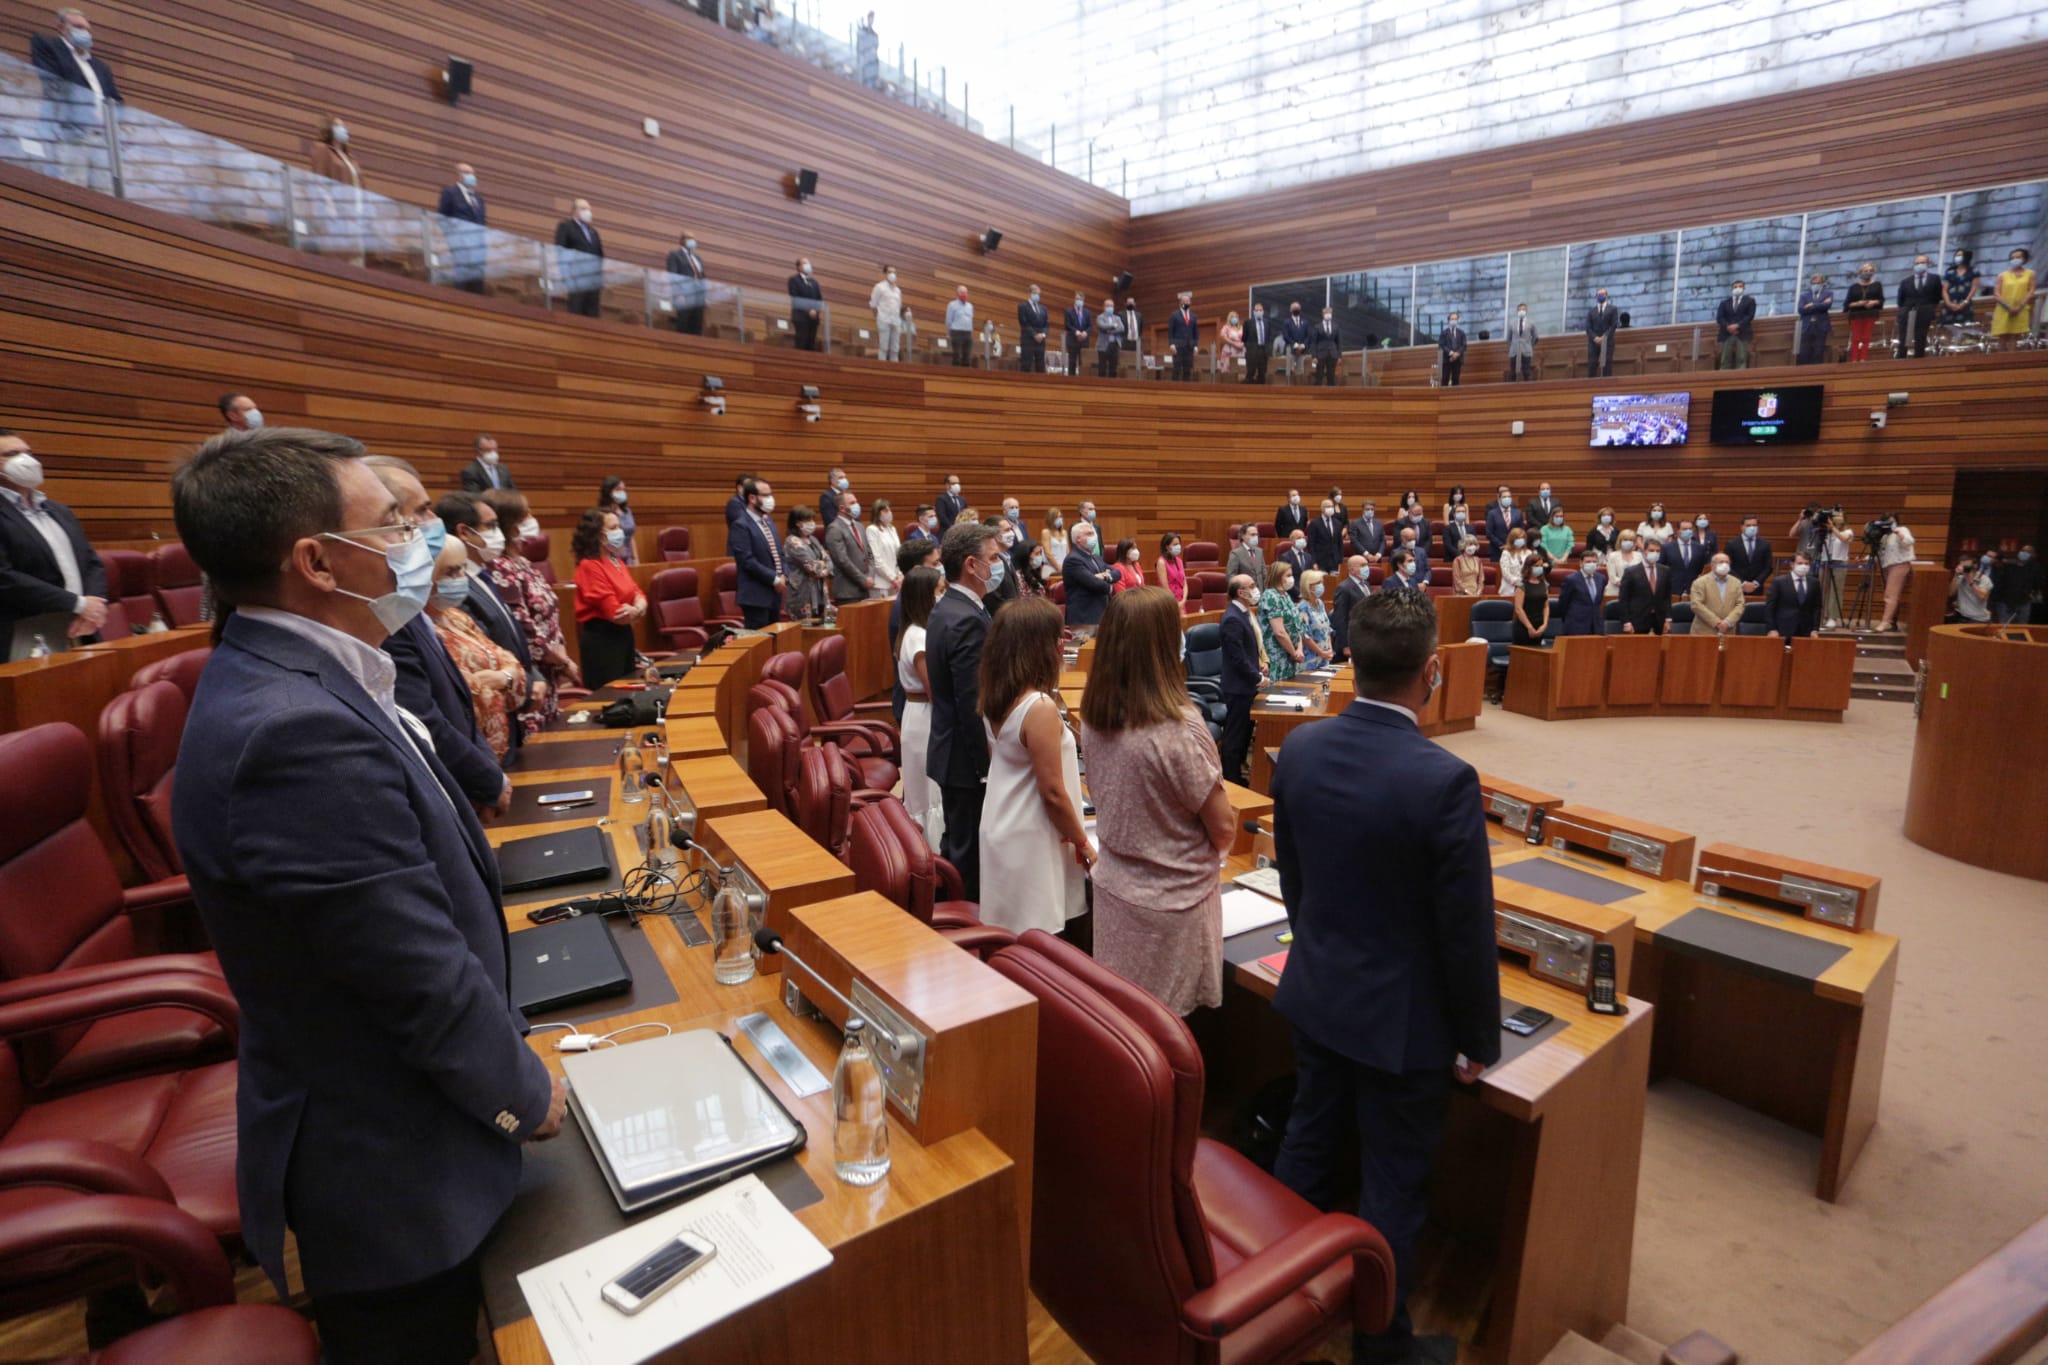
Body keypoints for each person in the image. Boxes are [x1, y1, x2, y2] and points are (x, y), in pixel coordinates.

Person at [169, 429, 562, 1365]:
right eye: (391, 524)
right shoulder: (292, 730)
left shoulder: (317, 674)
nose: (414, 540)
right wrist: (522, 1090)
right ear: (314, 560)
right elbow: (409, 968)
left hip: (417, 1123)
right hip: (393, 1171)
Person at [1269, 588, 1497, 1365]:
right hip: (1403, 1029)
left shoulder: (1298, 749)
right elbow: (1465, 932)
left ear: (1350, 661)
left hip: (1317, 990)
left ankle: (1269, 1301)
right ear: (1432, 671)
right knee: (1393, 1184)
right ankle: (1381, 1345)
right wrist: (1478, 1040)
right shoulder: (1446, 780)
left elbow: (1296, 883)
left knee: (1307, 1142)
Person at [1079, 587, 1235, 1014]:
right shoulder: (1179, 726)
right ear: (1166, 645)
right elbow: (1223, 826)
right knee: (1171, 1038)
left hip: (1115, 889)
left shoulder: (1094, 714)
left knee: (1125, 1029)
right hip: (1174, 908)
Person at [364, 458, 508, 818]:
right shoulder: (388, 618)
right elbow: (425, 720)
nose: (433, 523)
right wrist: (487, 781)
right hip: (449, 798)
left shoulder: (407, 608)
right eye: (423, 510)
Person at [977, 596, 1090, 933]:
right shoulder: (1038, 707)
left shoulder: (995, 694)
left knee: (1012, 936)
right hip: (1031, 835)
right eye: (1057, 638)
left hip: (1004, 824)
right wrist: (1083, 844)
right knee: (1037, 938)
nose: (1061, 645)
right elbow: (1053, 793)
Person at [927, 522, 1003, 898]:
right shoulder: (965, 619)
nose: (999, 564)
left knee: (957, 842)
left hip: (952, 753)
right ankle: (966, 934)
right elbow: (972, 703)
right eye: (993, 558)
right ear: (971, 565)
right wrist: (986, 767)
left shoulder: (952, 608)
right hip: (965, 760)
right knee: (969, 856)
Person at [438, 493, 547, 741]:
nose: (500, 533)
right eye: (491, 526)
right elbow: (487, 659)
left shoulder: (484, 576)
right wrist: (525, 684)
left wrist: (533, 677)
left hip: (514, 704)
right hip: (493, 716)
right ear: (464, 532)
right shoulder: (456, 588)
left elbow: (510, 635)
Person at [0, 429, 108, 658]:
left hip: (82, 627)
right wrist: (78, 604)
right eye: (12, 454)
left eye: (28, 452)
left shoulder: (59, 510)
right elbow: (4, 577)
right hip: (24, 633)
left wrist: (94, 608)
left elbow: (91, 563)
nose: (26, 460)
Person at [427, 543, 527, 761]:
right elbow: (467, 692)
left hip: (507, 741)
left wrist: (502, 677)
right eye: (451, 571)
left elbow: (511, 661)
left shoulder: (456, 617)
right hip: (472, 754)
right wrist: (505, 678)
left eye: (462, 568)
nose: (461, 577)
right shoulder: (424, 631)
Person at [479, 490, 580, 699]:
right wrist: (560, 660)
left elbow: (548, 614)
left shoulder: (523, 562)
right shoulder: (499, 567)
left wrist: (560, 655)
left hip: (550, 671)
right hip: (528, 677)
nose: (532, 518)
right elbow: (520, 627)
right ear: (510, 524)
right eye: (526, 515)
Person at [893, 566, 946, 848]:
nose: (943, 596)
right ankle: (931, 852)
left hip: (921, 714)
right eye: (939, 591)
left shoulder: (916, 630)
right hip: (923, 717)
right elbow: (934, 690)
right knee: (928, 793)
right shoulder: (918, 637)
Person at [571, 506, 645, 687]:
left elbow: (639, 593)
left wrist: (637, 608)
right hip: (603, 641)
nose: (619, 532)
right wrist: (638, 609)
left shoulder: (616, 561)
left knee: (628, 693)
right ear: (598, 534)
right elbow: (616, 614)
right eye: (613, 528)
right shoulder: (589, 566)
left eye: (619, 526)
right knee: (609, 699)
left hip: (624, 637)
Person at [725, 477, 785, 629]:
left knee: (776, 642)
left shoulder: (768, 522)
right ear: (752, 498)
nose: (770, 499)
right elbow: (747, 561)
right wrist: (774, 578)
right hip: (756, 596)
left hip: (775, 593)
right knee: (761, 644)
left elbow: (779, 553)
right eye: (766, 495)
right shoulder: (740, 525)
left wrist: (784, 574)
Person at [1219, 573, 1262, 783]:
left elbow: (1248, 650)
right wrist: (1256, 677)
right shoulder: (1232, 618)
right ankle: (1231, 779)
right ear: (1240, 592)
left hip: (1247, 685)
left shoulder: (1243, 614)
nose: (1255, 589)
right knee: (1235, 736)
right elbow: (1237, 657)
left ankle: (1238, 775)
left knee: (1244, 734)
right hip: (1238, 687)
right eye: (1252, 586)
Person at [32, 9, 121, 104]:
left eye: (87, 30)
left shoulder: (102, 67)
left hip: (101, 118)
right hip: (66, 115)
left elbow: (117, 101)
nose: (85, 33)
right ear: (61, 28)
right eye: (79, 27)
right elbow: (53, 83)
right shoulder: (48, 45)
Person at [436, 163, 488, 293]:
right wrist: (454, 240)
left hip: (477, 249)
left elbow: (482, 224)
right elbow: (442, 218)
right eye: (466, 172)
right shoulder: (450, 192)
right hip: (460, 246)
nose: (470, 176)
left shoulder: (478, 199)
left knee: (477, 284)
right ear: (458, 175)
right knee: (462, 281)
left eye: (472, 173)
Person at [552, 199, 604, 317]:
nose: (588, 212)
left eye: (589, 209)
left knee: (592, 316)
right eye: (584, 209)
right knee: (576, 311)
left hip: (593, 282)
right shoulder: (566, 226)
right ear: (575, 211)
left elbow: (600, 256)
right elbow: (560, 251)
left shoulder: (593, 233)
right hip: (576, 278)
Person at [1258, 561, 1307, 682]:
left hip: (1292, 655)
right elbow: (1279, 632)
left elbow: (1297, 626)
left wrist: (1299, 649)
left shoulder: (1286, 595)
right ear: (1278, 576)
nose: (1292, 578)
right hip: (1277, 655)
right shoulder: (1270, 596)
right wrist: (1294, 653)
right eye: (1288, 575)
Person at [1061, 519, 1115, 627]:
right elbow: (1094, 583)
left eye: (1093, 533)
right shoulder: (1073, 559)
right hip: (1084, 618)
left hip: (1101, 614)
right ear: (1078, 539)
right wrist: (1110, 586)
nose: (1094, 536)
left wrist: (1104, 576)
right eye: (1089, 534)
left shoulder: (1096, 557)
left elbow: (1117, 572)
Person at [824, 491, 872, 606]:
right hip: (847, 592)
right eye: (852, 503)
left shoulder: (859, 526)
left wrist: (870, 576)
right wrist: (862, 579)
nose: (857, 505)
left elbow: (869, 554)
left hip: (865, 589)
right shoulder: (834, 529)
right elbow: (842, 560)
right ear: (842, 508)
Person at [783, 506, 829, 620]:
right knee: (804, 627)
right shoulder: (792, 541)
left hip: (819, 591)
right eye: (808, 520)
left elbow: (829, 561)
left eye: (813, 520)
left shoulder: (813, 540)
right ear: (798, 523)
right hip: (802, 592)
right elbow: (812, 567)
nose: (812, 523)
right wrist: (822, 565)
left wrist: (822, 566)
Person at [1618, 539, 1670, 635]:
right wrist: (1626, 622)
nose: (1655, 553)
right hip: (1637, 619)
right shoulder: (1631, 572)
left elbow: (1666, 598)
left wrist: (1668, 619)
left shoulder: (1665, 570)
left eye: (1658, 551)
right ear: (1644, 551)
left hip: (1659, 620)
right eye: (1651, 550)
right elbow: (1624, 600)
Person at [1766, 554, 1823, 638]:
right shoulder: (1779, 582)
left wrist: (1815, 629)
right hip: (1783, 629)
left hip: (1806, 630)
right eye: (1800, 563)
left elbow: (1817, 607)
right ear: (1792, 564)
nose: (1803, 566)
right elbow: (1770, 607)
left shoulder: (1814, 583)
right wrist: (1772, 629)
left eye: (1806, 563)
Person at [1897, 254, 1942, 358]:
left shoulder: (1935, 279)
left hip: (1926, 311)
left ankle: (1919, 358)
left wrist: (1929, 307)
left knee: (1921, 336)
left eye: (1922, 263)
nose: (1919, 265)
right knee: (1904, 337)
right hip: (1908, 311)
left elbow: (1937, 296)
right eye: (1917, 263)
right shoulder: (1905, 282)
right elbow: (1900, 300)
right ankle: (1901, 357)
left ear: (1928, 264)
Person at [664, 232, 709, 335]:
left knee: (697, 325)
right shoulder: (675, 255)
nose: (692, 242)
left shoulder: (697, 259)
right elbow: (673, 276)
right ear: (682, 241)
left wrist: (705, 297)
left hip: (698, 296)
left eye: (693, 239)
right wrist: (678, 293)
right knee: (683, 323)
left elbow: (702, 278)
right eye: (689, 239)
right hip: (684, 295)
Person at [1813, 511, 1851, 629]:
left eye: (1839, 516)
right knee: (1823, 589)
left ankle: (1832, 617)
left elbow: (1844, 539)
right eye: (1835, 516)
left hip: (1839, 562)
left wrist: (1833, 528)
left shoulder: (1848, 531)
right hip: (1824, 561)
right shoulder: (1825, 533)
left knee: (1836, 590)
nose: (1837, 518)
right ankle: (1821, 615)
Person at [1991, 249, 2036, 347]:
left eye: (2018, 257)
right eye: (2012, 258)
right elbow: (1996, 293)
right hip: (2004, 309)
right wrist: (2008, 306)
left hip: (2021, 309)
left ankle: (2014, 359)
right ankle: (2001, 359)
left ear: (2024, 259)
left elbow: (2031, 291)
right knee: (2002, 336)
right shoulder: (2002, 275)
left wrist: (2020, 306)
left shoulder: (2030, 274)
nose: (2015, 259)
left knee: (2015, 336)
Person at [1690, 555, 1745, 635]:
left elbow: (1740, 604)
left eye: (1727, 562)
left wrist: (1728, 622)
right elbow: (1696, 605)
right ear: (1712, 565)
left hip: (1728, 630)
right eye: (1721, 562)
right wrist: (1717, 623)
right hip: (1704, 631)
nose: (1725, 565)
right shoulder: (1700, 582)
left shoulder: (1736, 582)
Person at [1330, 557, 1370, 662]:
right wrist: (1345, 645)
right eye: (1362, 565)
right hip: (1351, 639)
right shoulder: (1344, 588)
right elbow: (1340, 618)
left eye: (1366, 565)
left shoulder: (1366, 584)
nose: (1366, 568)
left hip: (1365, 638)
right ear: (1351, 569)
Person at [1557, 552, 1605, 636]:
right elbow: (1563, 604)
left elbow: (1598, 601)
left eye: (1594, 562)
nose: (1592, 564)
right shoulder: (1571, 580)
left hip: (1596, 626)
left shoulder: (1601, 578)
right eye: (1588, 562)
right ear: (1581, 563)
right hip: (1576, 626)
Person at [1843, 263, 1883, 361]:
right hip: (1856, 315)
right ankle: (1854, 359)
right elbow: (1847, 304)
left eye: (1870, 271)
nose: (1868, 273)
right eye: (1865, 271)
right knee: (1856, 338)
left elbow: (1881, 300)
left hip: (1870, 314)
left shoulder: (1877, 285)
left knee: (1866, 337)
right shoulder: (1853, 287)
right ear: (1860, 273)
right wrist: (1858, 303)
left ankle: (1863, 359)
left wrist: (1873, 302)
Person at [864, 498, 902, 598]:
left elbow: (899, 554)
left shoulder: (892, 529)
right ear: (877, 513)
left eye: (890, 510)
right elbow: (877, 559)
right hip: (881, 583)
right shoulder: (872, 530)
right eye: (885, 511)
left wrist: (899, 576)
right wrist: (892, 578)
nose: (889, 513)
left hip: (896, 581)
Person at [1297, 569, 1335, 665]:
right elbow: (1305, 636)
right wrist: (1321, 652)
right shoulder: (1302, 607)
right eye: (1318, 583)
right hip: (1311, 659)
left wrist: (1330, 649)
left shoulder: (1320, 603)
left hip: (1325, 656)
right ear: (1308, 586)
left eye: (1322, 582)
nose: (1321, 586)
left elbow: (1327, 628)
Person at [1728, 516, 1774, 594]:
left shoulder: (1765, 544)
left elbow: (1768, 567)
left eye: (1754, 525)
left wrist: (1756, 583)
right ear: (1742, 527)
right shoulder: (1732, 544)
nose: (1752, 528)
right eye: (1748, 525)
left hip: (1757, 587)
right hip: (1737, 586)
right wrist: (1743, 583)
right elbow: (1729, 567)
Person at [1796, 272, 1836, 365]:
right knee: (1804, 352)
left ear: (1822, 283)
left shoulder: (1828, 293)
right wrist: (1819, 305)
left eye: (1818, 283)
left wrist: (1812, 305)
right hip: (1807, 327)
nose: (1815, 285)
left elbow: (1826, 306)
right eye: (1813, 283)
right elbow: (1801, 309)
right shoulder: (1804, 295)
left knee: (1818, 352)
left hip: (1821, 326)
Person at [1993, 545, 2039, 624]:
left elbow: (2036, 584)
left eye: (2028, 552)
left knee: (2022, 627)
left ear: (2033, 555)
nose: (2024, 553)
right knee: (2004, 627)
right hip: (2005, 602)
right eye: (2023, 550)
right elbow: (1998, 583)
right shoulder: (2008, 565)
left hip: (2024, 602)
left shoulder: (2035, 568)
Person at [1715, 280, 1756, 369]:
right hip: (1726, 334)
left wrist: (1737, 326)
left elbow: (1750, 316)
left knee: (1741, 358)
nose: (1738, 288)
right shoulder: (1724, 303)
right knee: (1725, 359)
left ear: (1744, 288)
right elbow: (1720, 318)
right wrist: (1728, 327)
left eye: (1740, 286)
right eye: (1735, 287)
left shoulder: (1749, 301)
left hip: (1742, 333)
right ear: (1732, 289)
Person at [1512, 558, 1552, 646]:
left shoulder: (1544, 584)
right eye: (1536, 566)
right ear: (1528, 567)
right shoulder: (1521, 585)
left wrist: (1544, 624)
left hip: (1539, 626)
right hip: (1524, 627)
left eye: (1541, 566)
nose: (1539, 568)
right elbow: (1518, 609)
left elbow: (1546, 606)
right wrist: (1529, 627)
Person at [788, 257, 824, 351]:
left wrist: (816, 311)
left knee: (811, 344)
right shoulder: (794, 280)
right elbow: (795, 297)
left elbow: (819, 299)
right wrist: (808, 310)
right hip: (800, 317)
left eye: (808, 263)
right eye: (805, 263)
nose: (808, 265)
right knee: (801, 342)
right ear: (799, 267)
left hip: (813, 319)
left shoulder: (814, 283)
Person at [598, 476, 636, 563]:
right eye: (618, 489)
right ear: (609, 491)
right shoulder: (603, 513)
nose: (622, 492)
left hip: (628, 557)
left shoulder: (627, 511)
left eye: (624, 490)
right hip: (612, 557)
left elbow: (631, 536)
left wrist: (635, 557)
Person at [869, 265, 903, 360]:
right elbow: (873, 304)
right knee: (883, 347)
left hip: (896, 321)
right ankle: (882, 368)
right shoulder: (879, 287)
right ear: (885, 274)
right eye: (889, 272)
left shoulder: (898, 290)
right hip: (884, 319)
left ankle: (894, 370)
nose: (892, 274)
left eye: (894, 272)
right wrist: (878, 317)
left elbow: (899, 306)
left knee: (895, 349)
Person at [1664, 522, 1707, 599]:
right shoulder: (1667, 548)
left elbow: (1701, 568)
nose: (1688, 531)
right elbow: (1662, 568)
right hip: (1672, 589)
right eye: (1684, 529)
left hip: (1693, 589)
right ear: (1677, 531)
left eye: (1690, 529)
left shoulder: (1700, 548)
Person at [1941, 248, 1979, 330]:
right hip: (1950, 303)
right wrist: (1948, 303)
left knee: (1964, 329)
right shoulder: (1950, 271)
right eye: (1956, 255)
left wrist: (1965, 302)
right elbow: (1944, 289)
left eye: (1960, 255)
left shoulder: (1973, 271)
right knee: (1947, 328)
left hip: (1965, 304)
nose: (1957, 257)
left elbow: (1974, 287)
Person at [1586, 287, 1618, 378]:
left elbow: (1614, 325)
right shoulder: (1591, 312)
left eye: (1603, 294)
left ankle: (1606, 386)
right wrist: (1595, 338)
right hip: (1594, 342)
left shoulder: (1613, 309)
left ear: (1606, 295)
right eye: (1599, 294)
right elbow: (1588, 327)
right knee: (1592, 362)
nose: (1601, 296)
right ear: (1596, 296)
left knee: (1606, 363)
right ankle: (1591, 385)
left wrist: (1605, 337)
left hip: (1607, 341)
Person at [1485, 484, 1525, 557]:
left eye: (1509, 497)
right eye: (1504, 497)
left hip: (1515, 548)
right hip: (1497, 550)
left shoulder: (1518, 512)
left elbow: (1521, 530)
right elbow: (1489, 533)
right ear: (1499, 498)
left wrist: (1513, 544)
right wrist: (1501, 545)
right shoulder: (1492, 513)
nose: (1507, 498)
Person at [1017, 286, 1050, 373]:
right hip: (1028, 339)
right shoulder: (1022, 307)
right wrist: (1034, 334)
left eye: (1038, 294)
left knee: (1040, 366)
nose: (1037, 296)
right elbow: (1024, 323)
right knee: (1026, 364)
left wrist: (1043, 334)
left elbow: (1046, 324)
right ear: (1030, 293)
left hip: (1041, 341)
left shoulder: (1043, 308)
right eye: (1035, 293)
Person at [1307, 496, 1345, 573]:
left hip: (1335, 561)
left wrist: (1340, 561)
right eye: (1328, 506)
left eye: (1332, 506)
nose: (1330, 508)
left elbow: (1339, 543)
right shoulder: (1314, 523)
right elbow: (1311, 544)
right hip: (1320, 561)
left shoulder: (1337, 523)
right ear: (1322, 508)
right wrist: (1313, 562)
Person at [1154, 532, 1191, 606]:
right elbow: (1165, 587)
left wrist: (1183, 600)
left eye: (1179, 544)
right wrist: (1176, 603)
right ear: (1167, 547)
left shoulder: (1179, 561)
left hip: (1181, 600)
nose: (1178, 546)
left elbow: (1184, 583)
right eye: (1175, 544)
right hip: (1168, 601)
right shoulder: (1161, 562)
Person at [1169, 293, 1198, 381]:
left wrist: (1196, 345)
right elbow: (1171, 331)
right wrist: (1171, 344)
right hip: (1178, 346)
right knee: (1177, 368)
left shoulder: (1193, 316)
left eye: (1188, 301)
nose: (1186, 303)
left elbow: (1195, 331)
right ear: (1180, 303)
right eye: (1184, 301)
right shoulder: (1174, 315)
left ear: (1190, 303)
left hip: (1189, 346)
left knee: (1187, 369)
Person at [1506, 302, 1537, 381]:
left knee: (1526, 372)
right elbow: (1508, 338)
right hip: (1514, 350)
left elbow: (1535, 337)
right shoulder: (1512, 323)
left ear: (1526, 311)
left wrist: (1529, 345)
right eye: (1519, 310)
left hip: (1526, 350)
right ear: (1517, 311)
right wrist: (1513, 345)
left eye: (1523, 309)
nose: (1521, 311)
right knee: (1513, 372)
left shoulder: (1531, 323)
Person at [1311, 306, 1342, 386]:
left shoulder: (1336, 326)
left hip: (1332, 353)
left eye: (1329, 313)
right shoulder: (1317, 327)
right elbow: (1314, 342)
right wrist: (1314, 356)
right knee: (1319, 375)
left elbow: (1338, 342)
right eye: (1326, 313)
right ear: (1323, 314)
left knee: (1331, 376)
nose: (1328, 314)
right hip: (1320, 353)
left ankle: (1331, 395)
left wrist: (1339, 356)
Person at [1604, 534, 1641, 600]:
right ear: (1620, 541)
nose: (1628, 542)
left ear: (1634, 543)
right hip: (1615, 591)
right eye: (1625, 540)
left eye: (1631, 540)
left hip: (1635, 591)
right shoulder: (1612, 556)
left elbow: (1641, 574)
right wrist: (1626, 585)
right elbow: (1612, 576)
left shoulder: (1639, 556)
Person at [1282, 301, 1313, 379]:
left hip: (1302, 349)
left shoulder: (1305, 322)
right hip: (1291, 348)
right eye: (1294, 308)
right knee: (1289, 370)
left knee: (1300, 371)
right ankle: (1288, 387)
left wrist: (1303, 345)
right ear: (1290, 310)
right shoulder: (1286, 322)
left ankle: (1299, 387)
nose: (1296, 309)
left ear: (1300, 309)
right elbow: (1286, 336)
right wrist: (1295, 345)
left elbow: (1308, 335)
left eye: (1297, 308)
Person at [1280, 531, 1314, 601]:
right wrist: (1299, 595)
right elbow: (1286, 580)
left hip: (1307, 595)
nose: (1302, 540)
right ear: (1292, 540)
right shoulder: (1285, 557)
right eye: (1299, 538)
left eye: (1303, 538)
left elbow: (1310, 577)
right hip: (1292, 596)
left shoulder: (1309, 557)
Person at [1094, 297, 1124, 376]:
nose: (1110, 308)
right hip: (1103, 345)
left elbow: (1122, 328)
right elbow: (1102, 326)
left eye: (1112, 306)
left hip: (1114, 345)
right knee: (1102, 368)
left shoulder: (1117, 318)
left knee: (1113, 369)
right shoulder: (1100, 317)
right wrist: (1114, 325)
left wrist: (1110, 331)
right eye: (1108, 306)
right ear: (1104, 307)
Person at [1244, 303, 1273, 384]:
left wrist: (1268, 350)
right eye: (1256, 310)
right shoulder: (1248, 323)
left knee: (1262, 374)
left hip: (1263, 351)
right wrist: (1250, 349)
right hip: (1252, 351)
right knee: (1250, 373)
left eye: (1260, 310)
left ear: (1263, 311)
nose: (1258, 312)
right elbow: (1244, 338)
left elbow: (1269, 337)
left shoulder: (1267, 323)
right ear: (1253, 312)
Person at [945, 286, 974, 367]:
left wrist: (971, 332)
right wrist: (948, 332)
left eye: (966, 292)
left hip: (967, 333)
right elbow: (948, 320)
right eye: (962, 292)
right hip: (956, 331)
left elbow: (970, 320)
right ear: (958, 293)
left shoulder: (970, 306)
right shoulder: (952, 305)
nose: (964, 294)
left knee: (967, 356)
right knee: (956, 355)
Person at [1437, 311, 1467, 387]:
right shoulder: (1444, 333)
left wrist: (1457, 354)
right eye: (1452, 319)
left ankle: (1455, 397)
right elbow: (1441, 345)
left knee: (1456, 380)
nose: (1454, 321)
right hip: (1447, 360)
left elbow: (1464, 345)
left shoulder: (1461, 333)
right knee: (1445, 380)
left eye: (1455, 319)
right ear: (1449, 320)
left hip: (1458, 360)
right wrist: (1451, 353)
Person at [1218, 310, 1245, 378]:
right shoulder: (1226, 327)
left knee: (1240, 367)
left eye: (1236, 317)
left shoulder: (1241, 327)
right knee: (1229, 368)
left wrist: (1242, 344)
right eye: (1233, 317)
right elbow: (1223, 337)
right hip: (1230, 349)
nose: (1235, 318)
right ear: (1230, 318)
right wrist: (1234, 344)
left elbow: (1245, 337)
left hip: (1240, 350)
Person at [1120, 297, 1144, 368]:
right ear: (1125, 304)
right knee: (1124, 363)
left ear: (1135, 304)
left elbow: (1141, 328)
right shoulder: (1121, 314)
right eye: (1129, 303)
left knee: (1135, 362)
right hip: (1125, 342)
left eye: (1132, 303)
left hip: (1136, 342)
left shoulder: (1139, 315)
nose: (1130, 304)